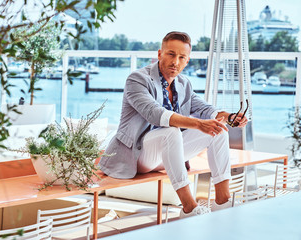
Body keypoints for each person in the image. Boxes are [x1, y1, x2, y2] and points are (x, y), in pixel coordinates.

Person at [99, 31, 248, 217]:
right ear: (159, 54)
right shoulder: (137, 79)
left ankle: (223, 202)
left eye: (181, 57)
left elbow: (202, 108)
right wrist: (198, 124)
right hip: (137, 155)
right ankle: (189, 208)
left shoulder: (184, 84)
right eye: (171, 54)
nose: (175, 62)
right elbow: (155, 114)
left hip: (167, 153)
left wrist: (229, 116)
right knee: (171, 132)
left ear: (187, 60)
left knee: (219, 130)